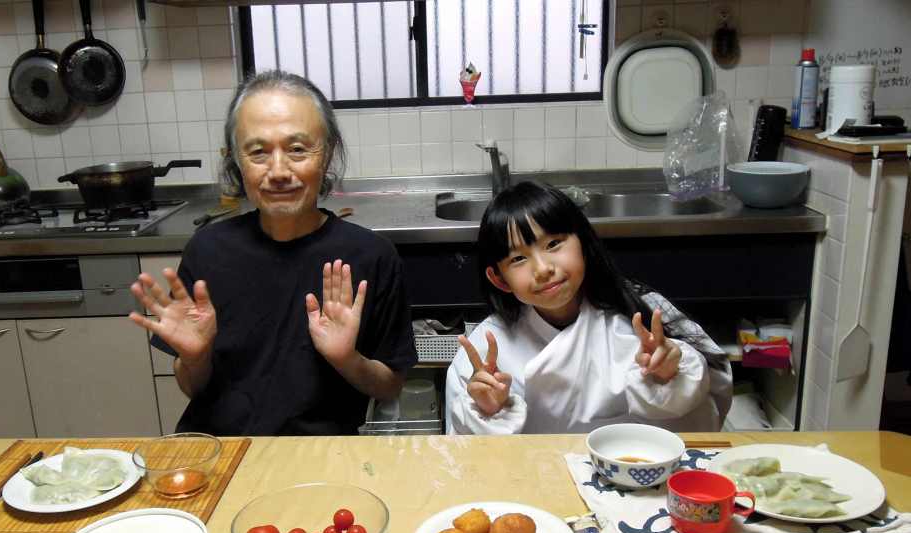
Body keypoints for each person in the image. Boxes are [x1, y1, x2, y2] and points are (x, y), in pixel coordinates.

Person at [129, 71, 417, 436]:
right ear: (236, 160)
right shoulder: (208, 250)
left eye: (297, 149)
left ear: (327, 153)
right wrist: (195, 357)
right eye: (258, 152)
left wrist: (347, 358)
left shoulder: (371, 256)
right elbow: (193, 389)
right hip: (222, 450)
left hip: (321, 455)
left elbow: (390, 386)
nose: (279, 171)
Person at [445, 182, 732, 435]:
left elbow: (709, 405)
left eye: (553, 244)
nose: (543, 269)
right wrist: (488, 409)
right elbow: (470, 453)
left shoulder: (643, 311)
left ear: (583, 241)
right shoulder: (487, 349)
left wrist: (670, 373)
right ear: (499, 279)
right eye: (518, 259)